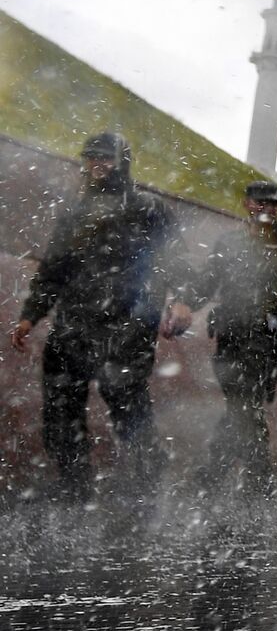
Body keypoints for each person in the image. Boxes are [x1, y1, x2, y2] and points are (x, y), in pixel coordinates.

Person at [8, 133, 184, 501]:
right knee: (60, 408)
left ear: (122, 163)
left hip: (128, 325)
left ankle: (146, 481)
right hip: (73, 322)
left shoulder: (147, 208)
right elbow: (54, 268)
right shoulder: (75, 210)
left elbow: (174, 261)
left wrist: (177, 303)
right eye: (91, 159)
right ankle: (74, 484)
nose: (96, 166)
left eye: (105, 159)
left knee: (128, 408)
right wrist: (30, 316)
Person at [170, 180, 277, 493]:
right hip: (229, 335)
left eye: (272, 203)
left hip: (265, 338)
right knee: (239, 405)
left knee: (245, 405)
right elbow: (208, 280)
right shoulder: (229, 242)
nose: (265, 208)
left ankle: (253, 477)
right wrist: (185, 303)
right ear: (247, 204)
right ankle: (220, 471)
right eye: (259, 202)